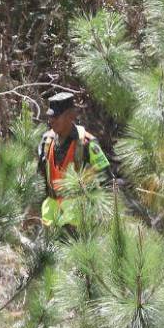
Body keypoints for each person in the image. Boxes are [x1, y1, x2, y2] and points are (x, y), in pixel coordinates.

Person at [37, 91, 112, 228]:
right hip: (51, 217)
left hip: (78, 219)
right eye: (50, 117)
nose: (51, 121)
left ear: (71, 116)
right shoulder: (46, 141)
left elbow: (106, 179)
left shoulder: (87, 143)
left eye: (57, 117)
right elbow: (40, 176)